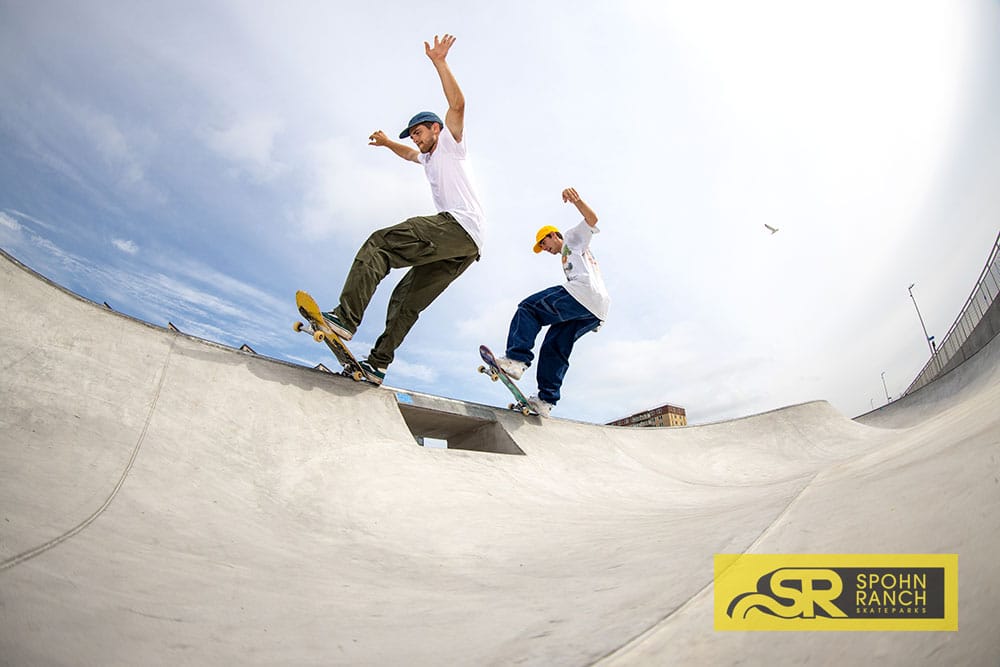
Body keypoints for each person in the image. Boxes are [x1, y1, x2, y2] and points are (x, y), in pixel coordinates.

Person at [320, 33, 484, 384]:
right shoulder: (425, 158)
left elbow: (457, 107)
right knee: (407, 299)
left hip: (456, 227)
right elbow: (408, 154)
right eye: (412, 134)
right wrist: (387, 142)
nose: (416, 139)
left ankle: (344, 319)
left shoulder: (451, 144)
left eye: (420, 132)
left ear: (435, 128)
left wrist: (440, 63)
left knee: (380, 243)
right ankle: (378, 363)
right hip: (466, 249)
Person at [495, 188, 609, 417]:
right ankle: (545, 401)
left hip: (582, 293)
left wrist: (577, 201)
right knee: (554, 347)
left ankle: (516, 359)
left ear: (553, 235)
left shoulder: (571, 238)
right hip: (595, 310)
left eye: (543, 243)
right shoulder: (569, 256)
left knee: (528, 308)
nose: (544, 248)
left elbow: (592, 220)